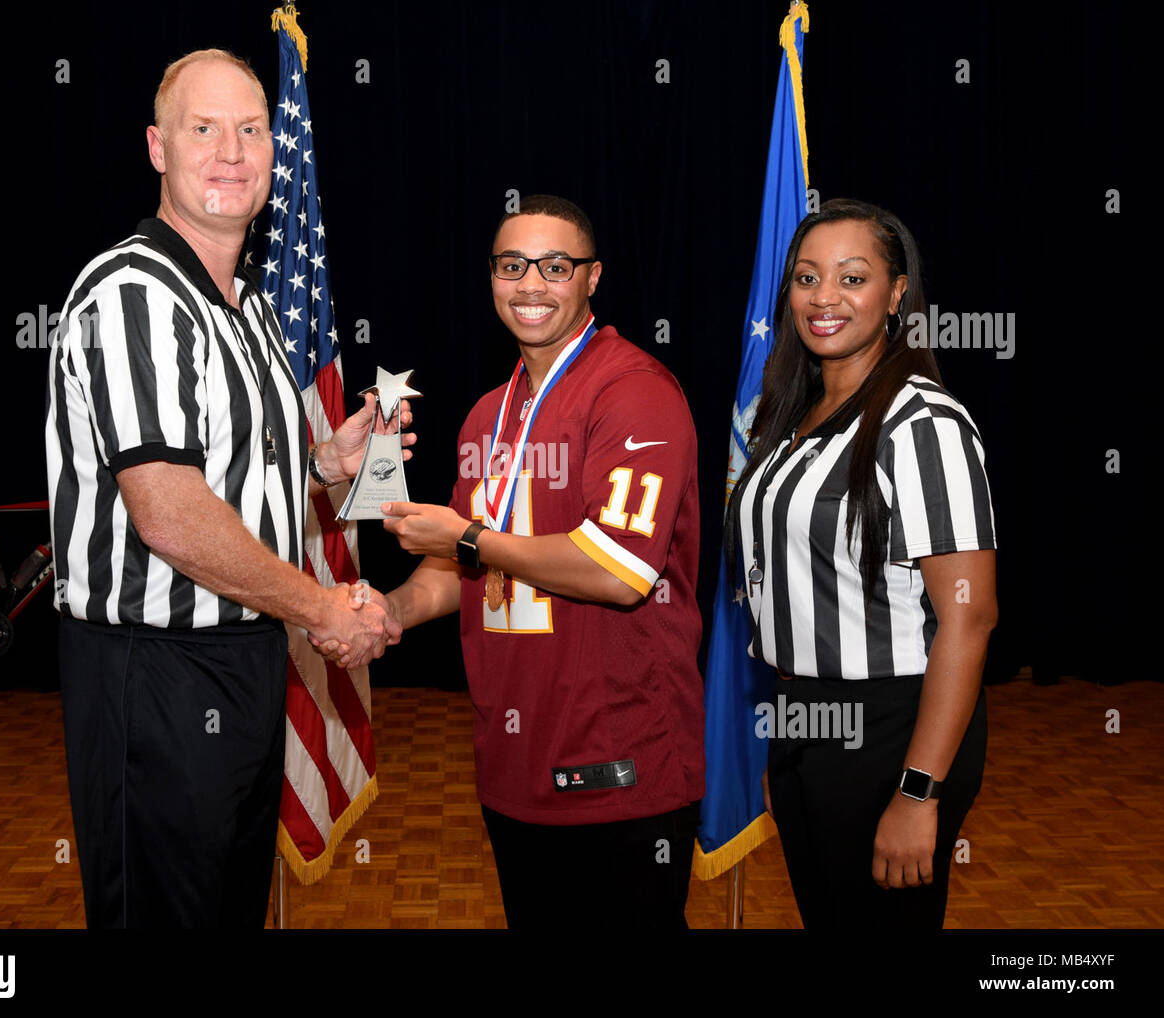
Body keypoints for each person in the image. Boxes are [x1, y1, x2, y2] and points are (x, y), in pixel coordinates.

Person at [44, 48, 406, 928]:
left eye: (252, 131)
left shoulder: (245, 305)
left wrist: (326, 465)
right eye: (203, 129)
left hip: (244, 662)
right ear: (157, 148)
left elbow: (228, 469)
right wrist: (321, 610)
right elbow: (169, 511)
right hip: (154, 673)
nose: (233, 152)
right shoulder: (134, 291)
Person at [365, 195, 705, 928]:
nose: (530, 285)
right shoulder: (488, 413)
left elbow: (618, 572)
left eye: (556, 267)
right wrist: (389, 611)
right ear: (490, 277)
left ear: (593, 278)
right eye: (512, 266)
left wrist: (463, 539)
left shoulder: (634, 392)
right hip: (514, 765)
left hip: (620, 768)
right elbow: (462, 570)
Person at [728, 198, 996, 929]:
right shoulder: (792, 415)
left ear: (897, 292)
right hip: (808, 715)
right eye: (807, 278)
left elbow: (969, 617)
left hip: (895, 727)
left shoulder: (924, 424)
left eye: (852, 278)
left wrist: (917, 791)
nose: (824, 299)